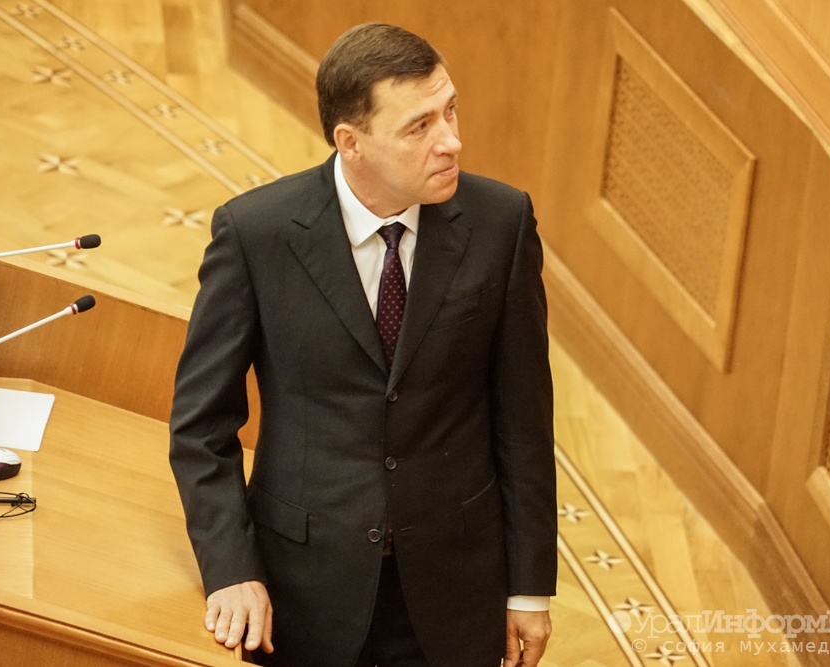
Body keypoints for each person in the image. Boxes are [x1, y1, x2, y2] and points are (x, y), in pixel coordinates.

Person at [169, 22, 557, 667]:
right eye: (419, 127)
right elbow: (201, 426)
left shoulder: (503, 223)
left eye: (449, 111)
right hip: (302, 592)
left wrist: (528, 587)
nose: (450, 141)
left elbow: (524, 421)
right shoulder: (256, 233)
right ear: (351, 142)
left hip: (456, 590)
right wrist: (231, 569)